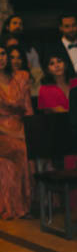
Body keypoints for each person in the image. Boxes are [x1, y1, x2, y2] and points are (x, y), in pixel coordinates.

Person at [0, 45, 33, 218]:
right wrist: (15, 134)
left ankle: (38, 203)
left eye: (3, 53)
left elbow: (28, 109)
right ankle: (24, 206)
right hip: (2, 132)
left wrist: (31, 131)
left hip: (21, 126)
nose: (1, 58)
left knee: (34, 146)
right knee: (22, 149)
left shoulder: (21, 77)